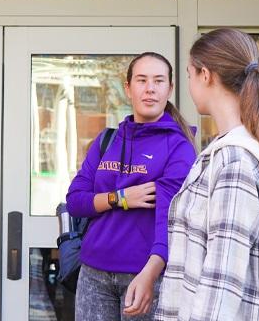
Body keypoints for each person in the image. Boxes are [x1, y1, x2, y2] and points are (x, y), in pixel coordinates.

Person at [155, 28, 259, 320]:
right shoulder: (228, 154)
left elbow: (221, 286)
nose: (188, 83)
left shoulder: (234, 163)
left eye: (189, 74)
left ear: (206, 75)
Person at [66, 52, 196, 320]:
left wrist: (151, 272)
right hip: (92, 273)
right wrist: (119, 198)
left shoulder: (179, 147)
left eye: (159, 81)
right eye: (141, 80)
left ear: (170, 88)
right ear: (128, 88)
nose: (150, 88)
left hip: (145, 275)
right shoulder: (107, 140)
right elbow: (75, 202)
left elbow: (170, 220)